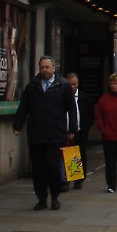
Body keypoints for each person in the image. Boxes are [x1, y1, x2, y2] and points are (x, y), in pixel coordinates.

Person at [12, 56, 78, 211]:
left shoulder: (63, 86)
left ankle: (55, 197)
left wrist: (73, 129)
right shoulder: (32, 87)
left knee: (53, 167)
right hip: (36, 135)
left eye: (47, 67)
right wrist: (17, 125)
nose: (44, 70)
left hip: (55, 134)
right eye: (42, 67)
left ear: (53, 68)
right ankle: (41, 199)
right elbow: (24, 108)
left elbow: (72, 109)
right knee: (38, 169)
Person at [65, 72, 98, 190]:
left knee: (80, 155)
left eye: (74, 84)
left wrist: (85, 127)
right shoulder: (62, 98)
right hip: (66, 131)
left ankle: (79, 180)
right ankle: (67, 180)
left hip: (80, 131)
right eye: (69, 85)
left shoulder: (85, 98)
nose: (72, 87)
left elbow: (90, 114)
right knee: (68, 155)